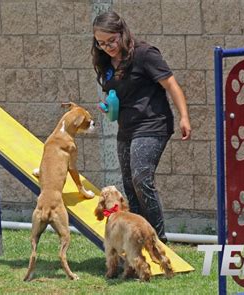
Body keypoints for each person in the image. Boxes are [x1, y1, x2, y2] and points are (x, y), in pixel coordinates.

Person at [92, 11, 191, 244]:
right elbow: (114, 93)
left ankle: (159, 240)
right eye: (101, 43)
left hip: (153, 124)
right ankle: (138, 238)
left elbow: (172, 85)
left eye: (111, 41)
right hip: (126, 128)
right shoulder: (106, 62)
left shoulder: (145, 54)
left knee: (140, 178)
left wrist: (184, 117)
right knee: (129, 184)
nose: (107, 47)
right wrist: (107, 106)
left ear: (122, 33)